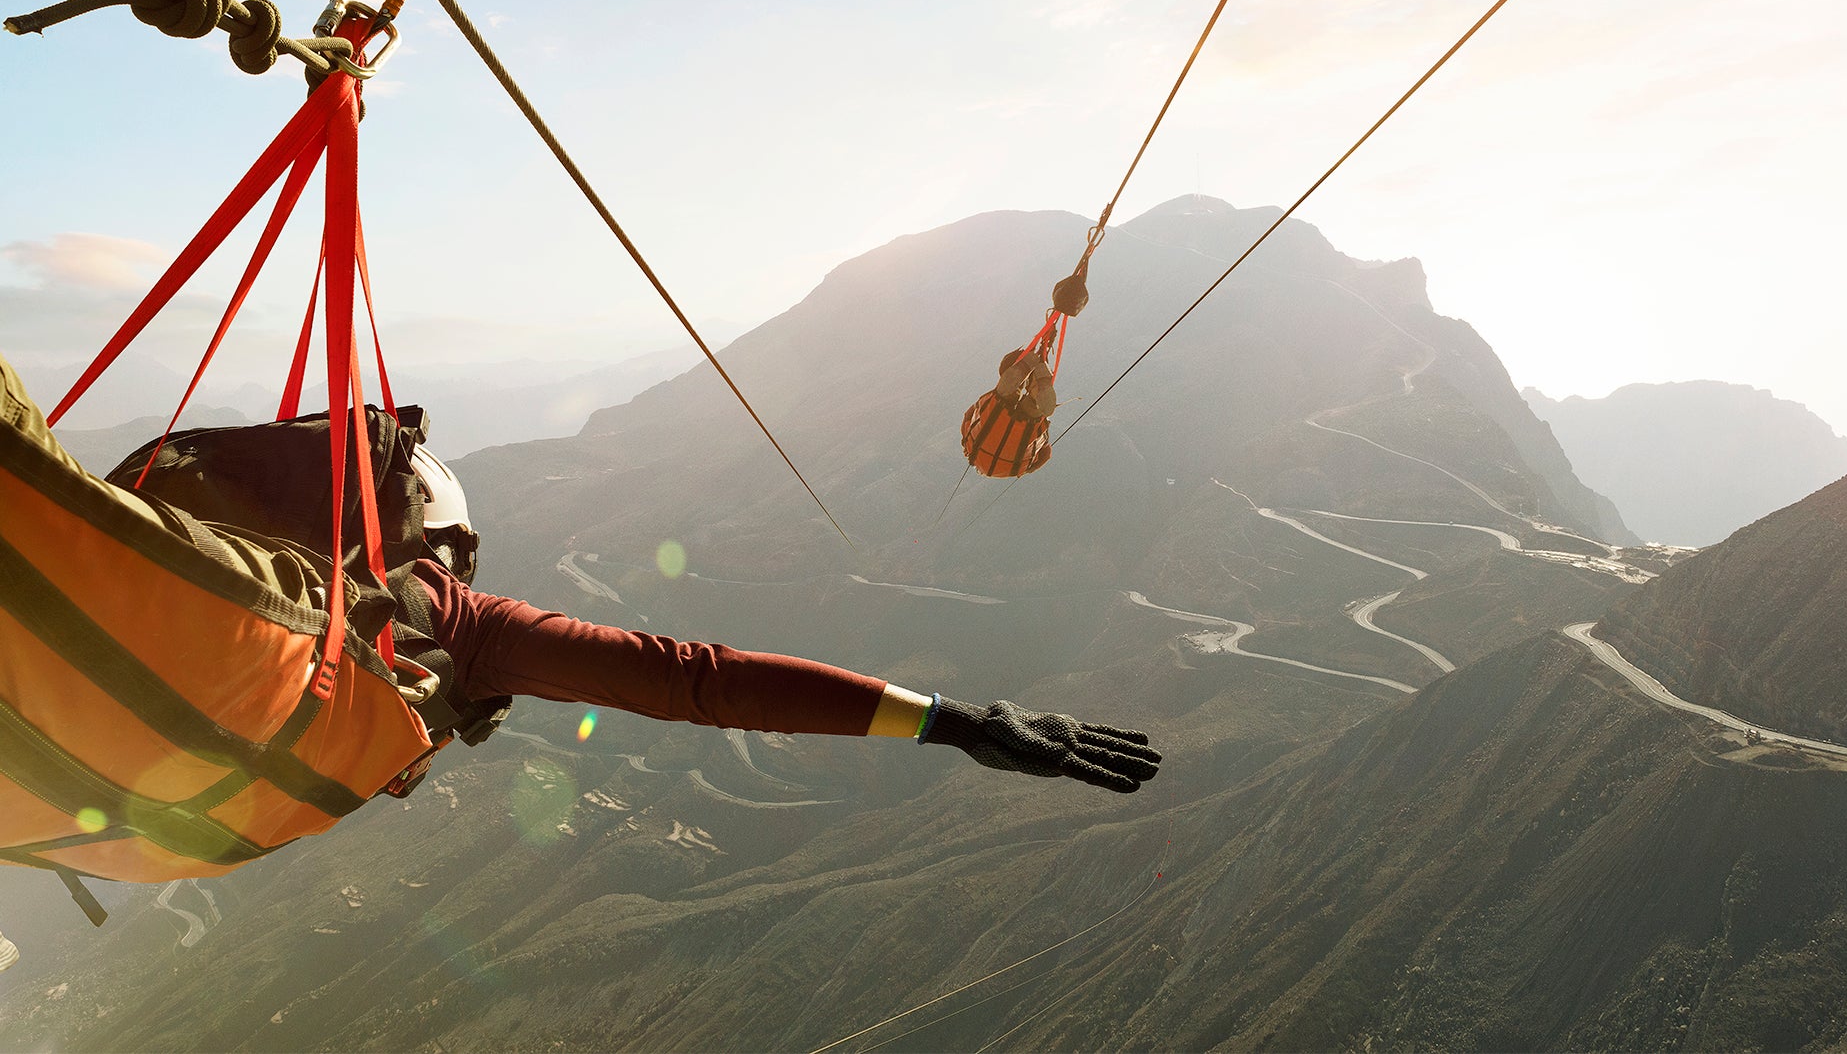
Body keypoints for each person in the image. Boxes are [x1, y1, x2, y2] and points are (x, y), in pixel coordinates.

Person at [0, 352, 1161, 800]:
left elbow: (695, 680)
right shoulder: (445, 618)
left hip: (81, 656)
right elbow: (696, 680)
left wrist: (952, 720)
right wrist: (949, 722)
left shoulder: (160, 529)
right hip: (144, 747)